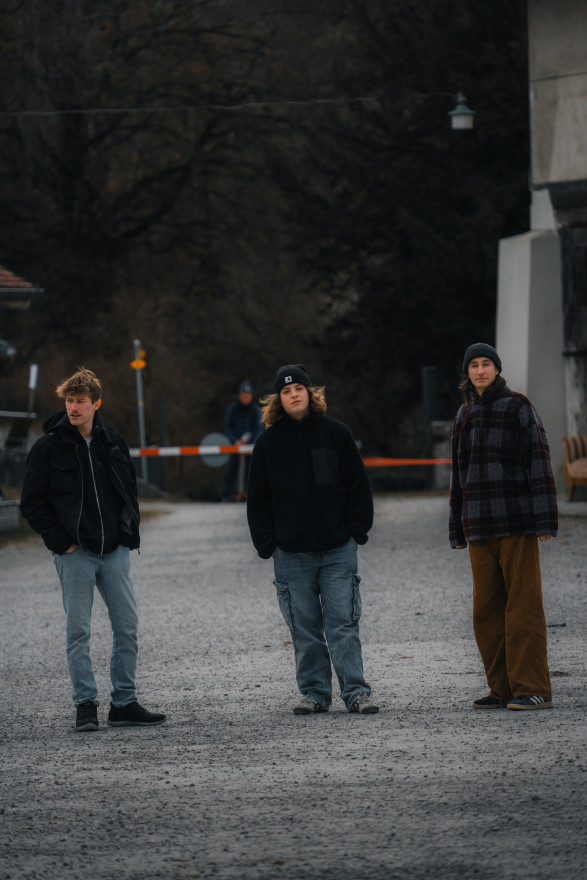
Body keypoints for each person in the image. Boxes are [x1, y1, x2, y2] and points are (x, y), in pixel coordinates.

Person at [20, 368, 166, 731]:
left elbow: (128, 491)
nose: (73, 408)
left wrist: (127, 532)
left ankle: (124, 703)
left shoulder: (113, 442)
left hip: (114, 551)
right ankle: (85, 705)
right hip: (75, 554)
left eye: (80, 401)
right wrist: (61, 543)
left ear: (96, 404)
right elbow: (32, 503)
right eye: (69, 401)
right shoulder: (48, 448)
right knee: (78, 633)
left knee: (127, 628)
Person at [247, 364, 378, 715]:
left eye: (299, 389)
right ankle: (315, 694)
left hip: (337, 550)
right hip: (291, 555)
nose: (294, 395)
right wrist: (267, 544)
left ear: (310, 393)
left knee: (343, 624)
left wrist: (356, 530)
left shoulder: (336, 433)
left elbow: (357, 485)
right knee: (304, 629)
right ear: (278, 399)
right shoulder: (268, 444)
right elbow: (257, 499)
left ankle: (356, 692)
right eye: (286, 391)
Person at [449, 343, 557, 711]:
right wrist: (457, 529)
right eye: (474, 365)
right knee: (486, 612)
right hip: (479, 526)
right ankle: (502, 689)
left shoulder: (518, 406)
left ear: (496, 369)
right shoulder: (464, 414)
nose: (480, 370)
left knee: (523, 607)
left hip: (516, 522)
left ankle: (533, 688)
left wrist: (545, 520)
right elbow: (458, 475)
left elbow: (539, 462)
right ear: (468, 372)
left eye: (486, 364)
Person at [221, 380, 263, 502]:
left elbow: (258, 428)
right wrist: (235, 440)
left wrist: (252, 445)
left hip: (250, 446)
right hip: (235, 445)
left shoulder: (256, 410)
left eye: (247, 396)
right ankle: (226, 496)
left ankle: (251, 496)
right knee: (231, 470)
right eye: (243, 395)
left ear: (251, 396)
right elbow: (227, 426)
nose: (245, 398)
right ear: (239, 395)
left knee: (251, 471)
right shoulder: (232, 409)